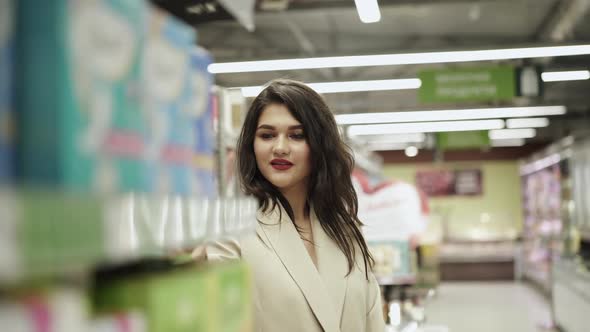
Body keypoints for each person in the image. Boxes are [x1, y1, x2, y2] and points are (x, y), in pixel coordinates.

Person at [194, 79, 385, 332]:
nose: (280, 147)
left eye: (297, 135)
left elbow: (372, 322)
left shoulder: (346, 231)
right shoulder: (230, 233)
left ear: (319, 145)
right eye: (267, 135)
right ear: (252, 144)